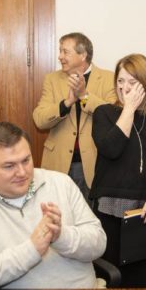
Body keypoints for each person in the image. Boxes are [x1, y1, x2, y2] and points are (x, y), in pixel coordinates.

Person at [0, 122, 106, 290]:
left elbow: (99, 243)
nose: (22, 172)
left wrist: (61, 236)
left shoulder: (61, 183)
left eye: (26, 160)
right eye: (9, 166)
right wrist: (31, 250)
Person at [89, 53, 146, 287]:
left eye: (132, 82)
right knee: (113, 282)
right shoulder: (104, 113)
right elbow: (111, 148)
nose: (125, 87)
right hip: (112, 210)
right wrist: (128, 109)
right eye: (120, 81)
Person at [33, 32, 116, 199]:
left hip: (93, 164)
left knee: (90, 218)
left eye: (65, 52)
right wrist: (66, 103)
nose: (60, 57)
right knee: (57, 219)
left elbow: (112, 116)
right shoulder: (52, 79)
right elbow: (39, 119)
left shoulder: (108, 78)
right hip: (59, 163)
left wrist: (84, 96)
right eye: (60, 51)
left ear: (83, 54)